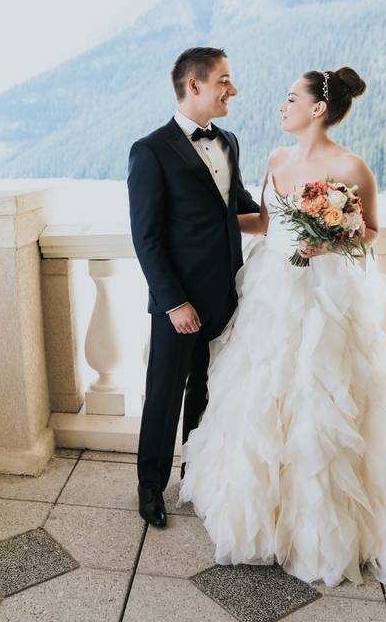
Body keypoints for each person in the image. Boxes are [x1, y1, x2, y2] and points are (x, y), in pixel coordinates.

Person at [178, 67, 386, 586]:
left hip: (326, 293)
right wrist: (206, 222)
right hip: (270, 288)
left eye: (290, 98)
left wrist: (329, 241)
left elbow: (369, 231)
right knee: (262, 394)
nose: (281, 106)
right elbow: (264, 220)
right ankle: (266, 511)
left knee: (323, 397)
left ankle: (329, 519)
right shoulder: (277, 159)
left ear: (318, 108)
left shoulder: (352, 166)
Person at [127, 47, 259, 529]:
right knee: (164, 393)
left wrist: (299, 221)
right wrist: (173, 302)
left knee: (208, 391)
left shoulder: (230, 142)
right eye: (225, 80)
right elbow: (147, 237)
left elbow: (238, 206)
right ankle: (149, 487)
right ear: (195, 85)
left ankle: (198, 476)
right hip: (178, 301)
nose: (233, 90)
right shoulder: (150, 150)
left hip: (226, 294)